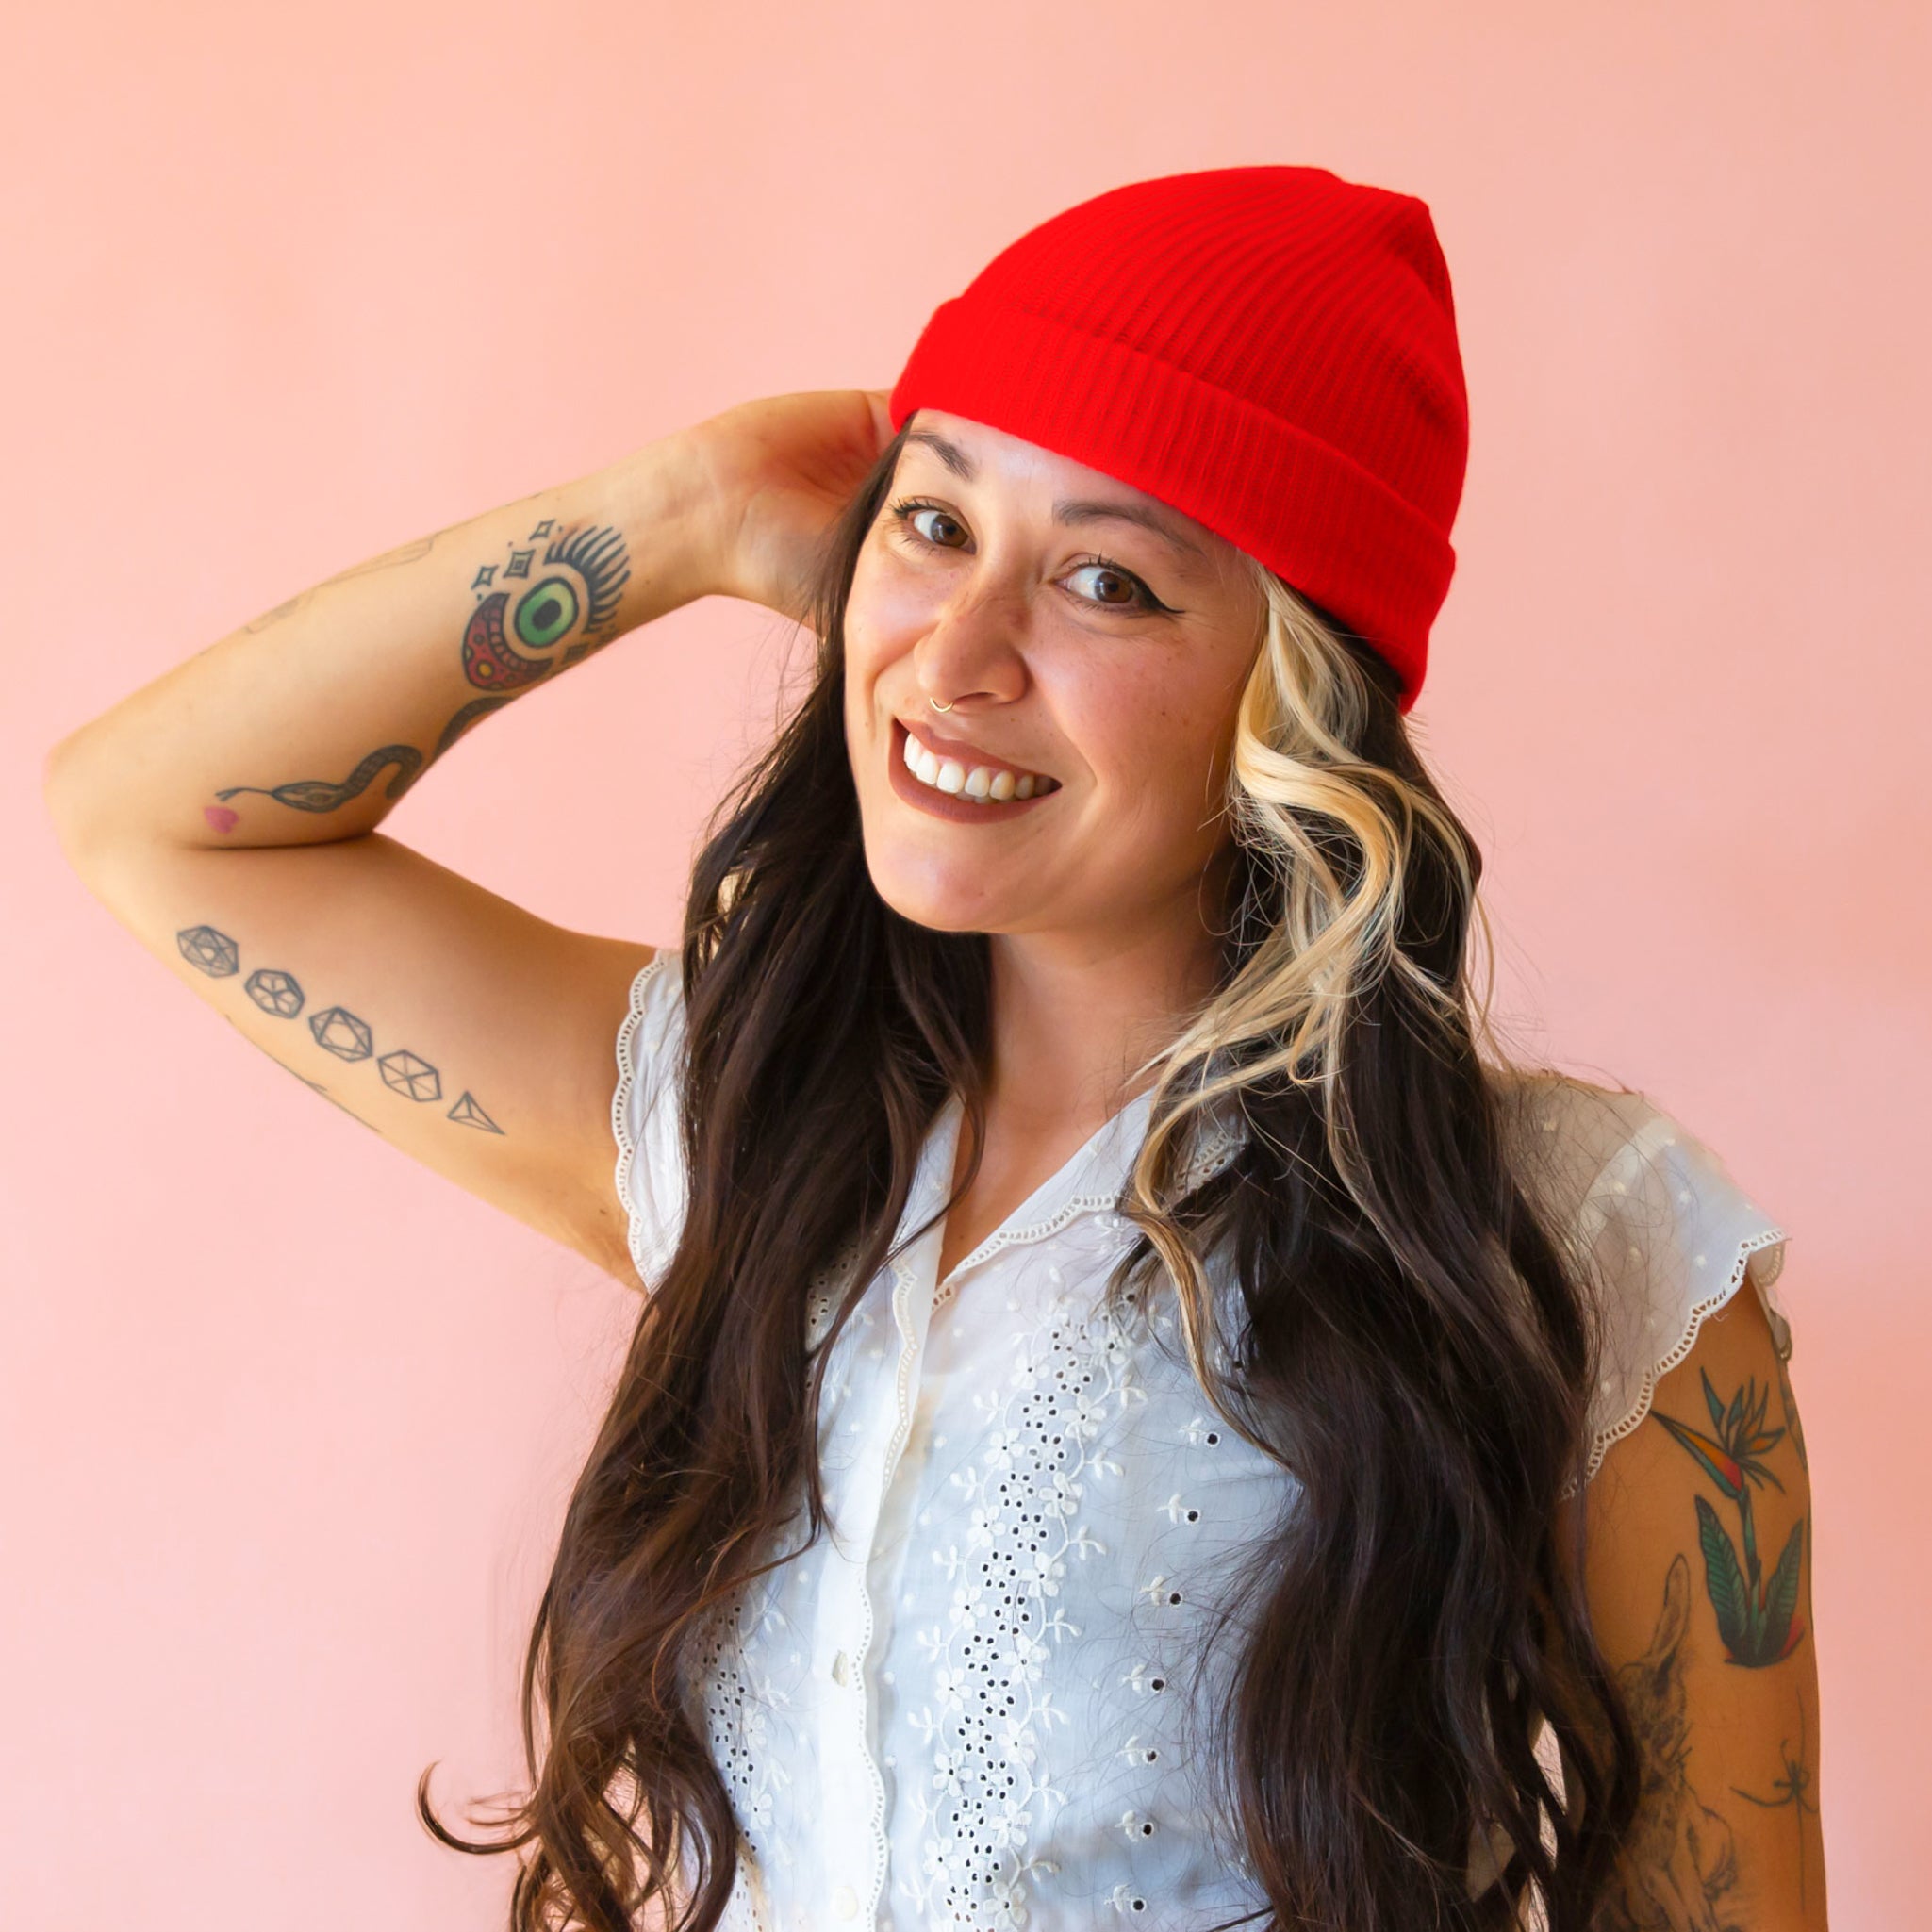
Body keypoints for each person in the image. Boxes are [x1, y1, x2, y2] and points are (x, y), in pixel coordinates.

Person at [44, 166, 1825, 1931]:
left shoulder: (1574, 1241)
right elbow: (148, 815)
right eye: (936, 522)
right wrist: (680, 514)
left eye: (1110, 585)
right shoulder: (730, 1122)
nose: (956, 656)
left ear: (1296, 696)